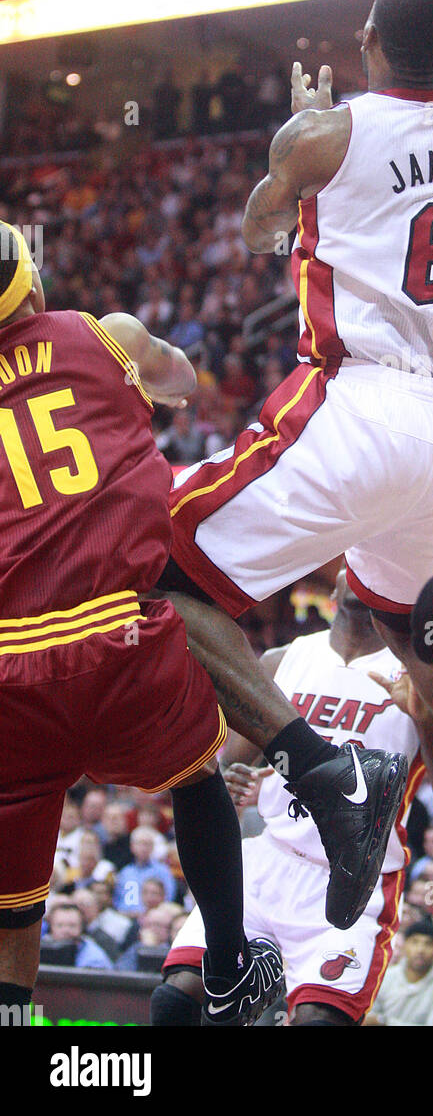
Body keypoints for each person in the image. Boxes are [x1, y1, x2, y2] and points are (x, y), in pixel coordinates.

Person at [161, 0, 433, 940]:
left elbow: (260, 233)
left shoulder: (327, 132)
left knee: (158, 570)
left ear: (368, 42)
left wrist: (288, 160)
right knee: (413, 629)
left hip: (360, 403)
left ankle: (324, 771)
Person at [0, 224, 284, 1026]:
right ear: (29, 282)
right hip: (110, 632)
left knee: (15, 904)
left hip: (9, 664)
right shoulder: (99, 333)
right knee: (197, 781)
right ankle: (228, 968)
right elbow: (184, 381)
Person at [153, 570, 433, 1026]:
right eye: (354, 561)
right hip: (266, 861)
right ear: (336, 583)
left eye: (376, 564)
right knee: (174, 1001)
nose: (362, 571)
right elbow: (229, 764)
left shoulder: (422, 677)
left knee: (320, 1021)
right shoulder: (284, 659)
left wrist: (427, 720)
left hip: (355, 883)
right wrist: (231, 778)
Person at [365, 918, 433, 1027]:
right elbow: (368, 1018)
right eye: (415, 942)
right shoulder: (385, 976)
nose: (420, 949)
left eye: (428, 944)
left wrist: (384, 1022)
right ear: (404, 946)